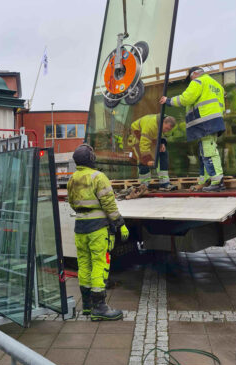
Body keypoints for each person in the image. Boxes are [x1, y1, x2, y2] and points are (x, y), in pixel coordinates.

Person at [67, 144, 129, 321]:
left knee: (84, 265)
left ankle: (87, 305)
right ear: (91, 159)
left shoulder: (72, 179)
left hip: (80, 227)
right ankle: (100, 307)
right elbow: (109, 204)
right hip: (97, 228)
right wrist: (120, 224)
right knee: (99, 264)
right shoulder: (98, 177)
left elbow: (71, 203)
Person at [159, 66, 225, 191]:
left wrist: (168, 101)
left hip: (205, 122)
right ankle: (206, 180)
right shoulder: (217, 85)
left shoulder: (198, 81)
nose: (190, 81)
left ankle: (217, 182)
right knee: (205, 152)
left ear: (194, 74)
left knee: (209, 152)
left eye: (190, 78)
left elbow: (185, 99)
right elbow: (221, 106)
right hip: (214, 121)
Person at [127, 114, 176, 189]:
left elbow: (162, 135)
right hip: (137, 135)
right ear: (163, 122)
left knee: (163, 153)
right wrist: (147, 160)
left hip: (151, 136)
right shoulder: (150, 126)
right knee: (143, 158)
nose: (166, 131)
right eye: (166, 128)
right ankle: (144, 184)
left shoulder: (162, 122)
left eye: (168, 130)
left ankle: (164, 183)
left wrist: (162, 143)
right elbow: (144, 144)